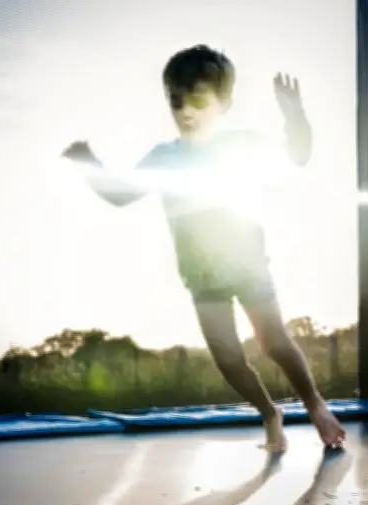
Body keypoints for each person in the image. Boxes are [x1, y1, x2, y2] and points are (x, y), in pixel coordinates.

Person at [61, 44, 345, 451]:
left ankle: (315, 404)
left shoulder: (242, 144)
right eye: (176, 101)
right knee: (227, 357)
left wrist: (294, 114)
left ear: (224, 103)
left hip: (246, 263)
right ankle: (269, 412)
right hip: (201, 274)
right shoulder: (163, 157)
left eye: (198, 100)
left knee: (274, 342)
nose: (186, 111)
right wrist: (87, 161)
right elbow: (120, 194)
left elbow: (297, 156)